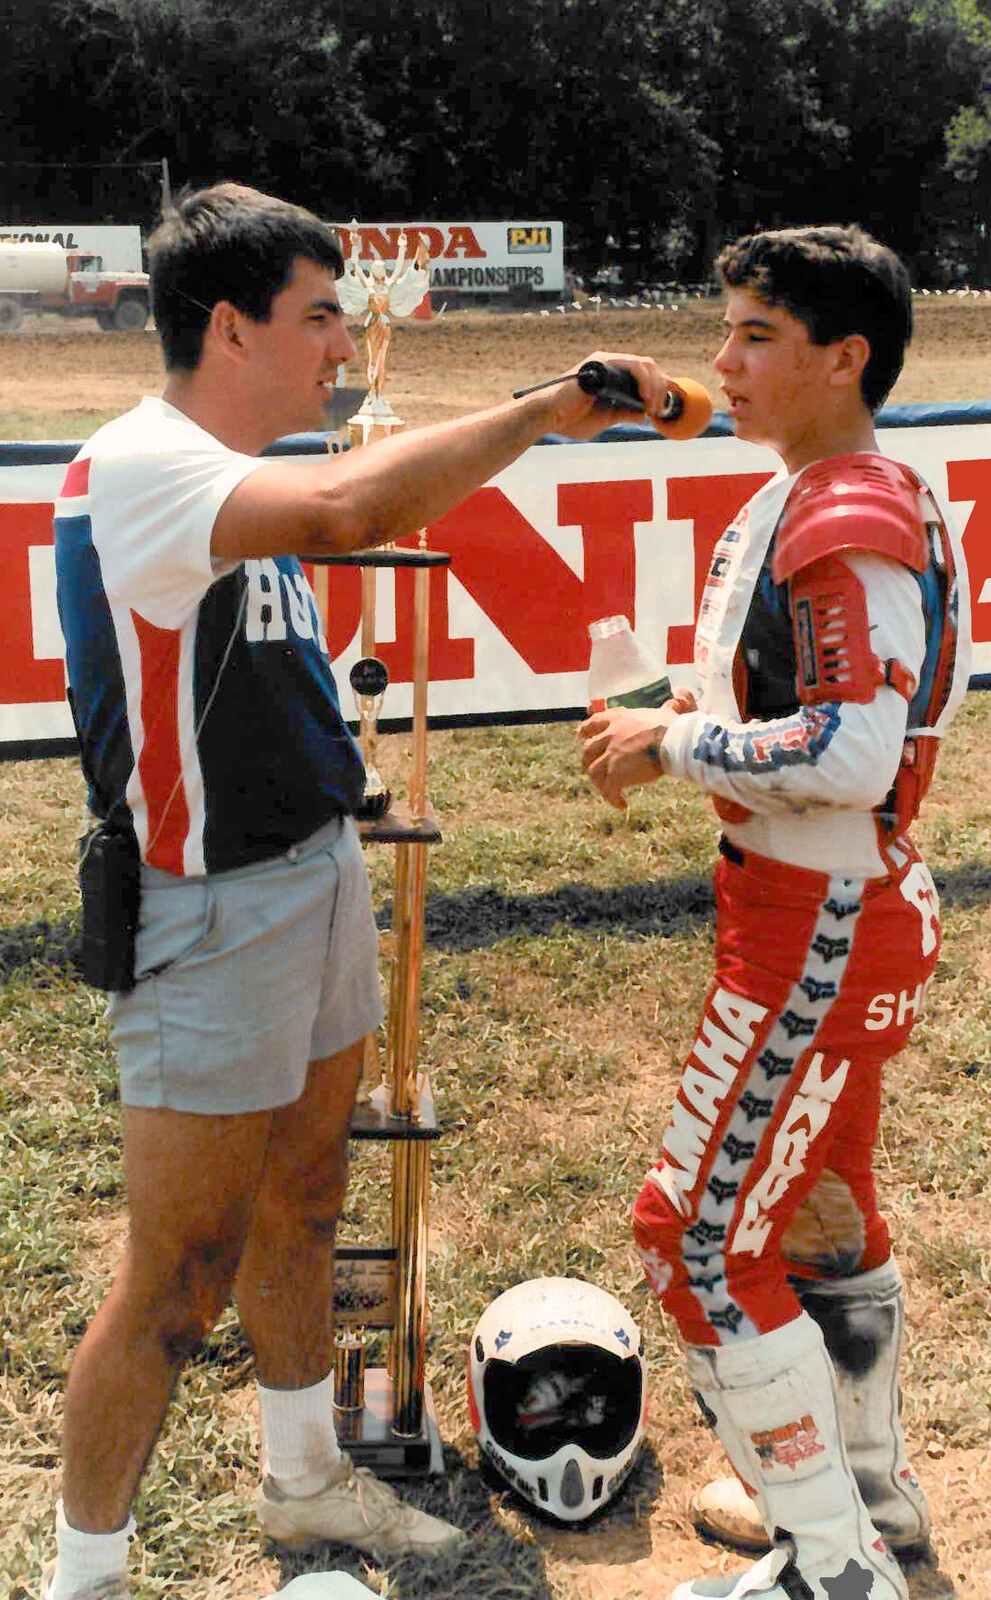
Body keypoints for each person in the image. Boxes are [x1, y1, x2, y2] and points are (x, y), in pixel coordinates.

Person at [48, 180, 683, 1600]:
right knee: (174, 1282)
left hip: (308, 874)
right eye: (320, 316)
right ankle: (78, 1576)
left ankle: (305, 1487)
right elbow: (346, 509)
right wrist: (537, 414)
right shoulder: (146, 463)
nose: (344, 346)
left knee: (307, 1200)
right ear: (228, 326)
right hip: (206, 913)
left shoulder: (230, 465)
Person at [580, 224, 970, 1600]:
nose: (723, 363)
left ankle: (831, 1560)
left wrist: (672, 748)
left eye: (755, 336)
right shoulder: (838, 489)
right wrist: (678, 715)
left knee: (691, 1238)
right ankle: (871, 1505)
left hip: (818, 916)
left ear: (842, 357)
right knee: (819, 1215)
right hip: (835, 902)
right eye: (725, 331)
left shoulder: (843, 508)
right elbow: (815, 721)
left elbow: (853, 750)